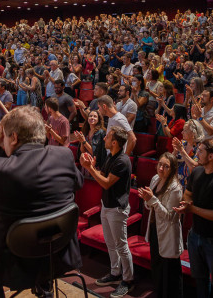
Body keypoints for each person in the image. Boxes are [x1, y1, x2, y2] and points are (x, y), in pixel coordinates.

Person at [0, 106, 83, 297]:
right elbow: (78, 183)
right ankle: (44, 287)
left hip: (10, 261)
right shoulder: (64, 156)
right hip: (55, 250)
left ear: (13, 137)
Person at [174, 139, 213, 298]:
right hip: (196, 234)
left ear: (211, 156)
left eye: (200, 151)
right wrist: (186, 203)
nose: (196, 153)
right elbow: (188, 194)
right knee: (200, 279)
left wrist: (192, 208)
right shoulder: (197, 172)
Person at [82, 126, 134, 298]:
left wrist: (89, 168)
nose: (104, 138)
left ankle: (128, 280)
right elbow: (102, 174)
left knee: (121, 245)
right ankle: (115, 272)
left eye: (108, 137)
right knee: (111, 243)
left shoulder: (122, 161)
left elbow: (106, 183)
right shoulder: (111, 156)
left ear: (114, 142)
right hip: (106, 204)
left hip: (117, 208)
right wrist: (92, 165)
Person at [137, 152, 183, 298]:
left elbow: (169, 216)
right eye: (160, 164)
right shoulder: (155, 179)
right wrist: (147, 199)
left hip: (168, 232)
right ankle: (159, 292)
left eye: (166, 166)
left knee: (169, 271)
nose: (161, 168)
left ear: (173, 169)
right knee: (156, 265)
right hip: (155, 228)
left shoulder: (176, 188)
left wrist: (152, 200)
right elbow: (149, 206)